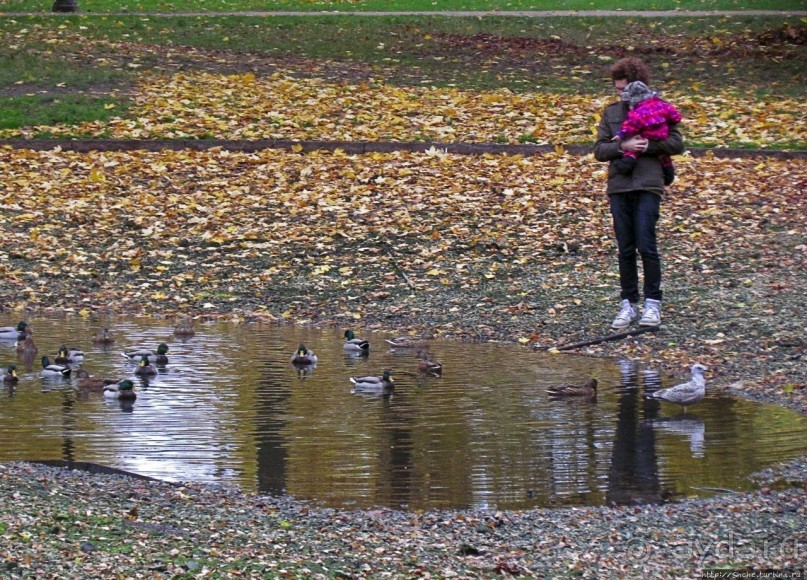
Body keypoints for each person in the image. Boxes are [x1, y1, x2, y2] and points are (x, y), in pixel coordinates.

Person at [594, 57, 684, 329]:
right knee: (625, 248)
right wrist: (624, 145)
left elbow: (676, 143)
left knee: (647, 245)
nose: (621, 95)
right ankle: (628, 304)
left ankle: (653, 304)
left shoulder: (658, 108)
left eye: (624, 89)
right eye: (617, 90)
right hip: (620, 185)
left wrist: (648, 146)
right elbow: (599, 150)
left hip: (648, 184)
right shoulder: (611, 113)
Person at [612, 80, 682, 186]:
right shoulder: (662, 105)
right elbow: (675, 115)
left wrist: (621, 135)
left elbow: (630, 126)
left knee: (632, 151)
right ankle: (669, 173)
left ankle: (626, 164)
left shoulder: (637, 113)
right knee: (664, 156)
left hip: (646, 135)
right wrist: (672, 120)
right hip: (662, 134)